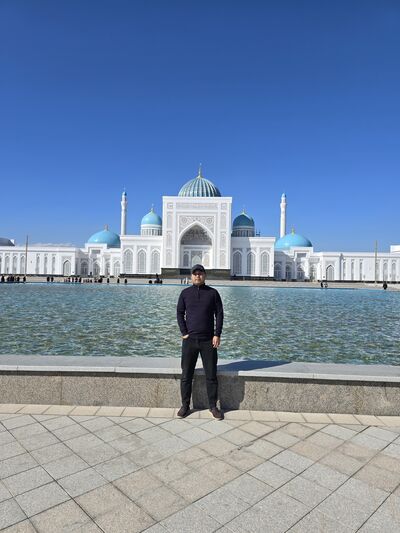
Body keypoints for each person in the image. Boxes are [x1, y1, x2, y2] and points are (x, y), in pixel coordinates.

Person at [176, 264, 224, 419]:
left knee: (211, 375)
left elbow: (219, 314)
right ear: (191, 276)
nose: (197, 276)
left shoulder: (212, 293)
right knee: (186, 375)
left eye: (200, 273)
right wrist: (184, 332)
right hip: (190, 340)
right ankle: (185, 406)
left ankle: (213, 406)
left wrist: (217, 334)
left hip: (208, 341)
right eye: (195, 274)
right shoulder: (185, 293)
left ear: (205, 275)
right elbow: (179, 313)